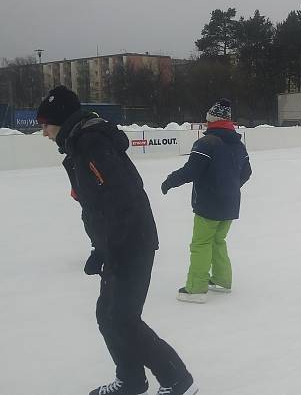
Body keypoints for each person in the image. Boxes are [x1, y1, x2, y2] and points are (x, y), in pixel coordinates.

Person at [36, 86, 196, 395]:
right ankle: (131, 380)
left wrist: (110, 246)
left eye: (45, 124)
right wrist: (100, 246)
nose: (43, 132)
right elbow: (98, 205)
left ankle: (177, 380)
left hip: (131, 242)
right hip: (119, 242)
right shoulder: (80, 144)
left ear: (60, 120)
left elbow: (121, 200)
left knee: (122, 319)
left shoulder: (90, 144)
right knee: (107, 316)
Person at [162, 98, 252, 304]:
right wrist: (230, 187)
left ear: (212, 120)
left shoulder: (206, 143)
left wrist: (169, 181)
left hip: (209, 204)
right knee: (218, 241)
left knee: (201, 243)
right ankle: (221, 280)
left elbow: (191, 171)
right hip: (230, 203)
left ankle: (196, 288)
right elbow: (246, 172)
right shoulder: (238, 144)